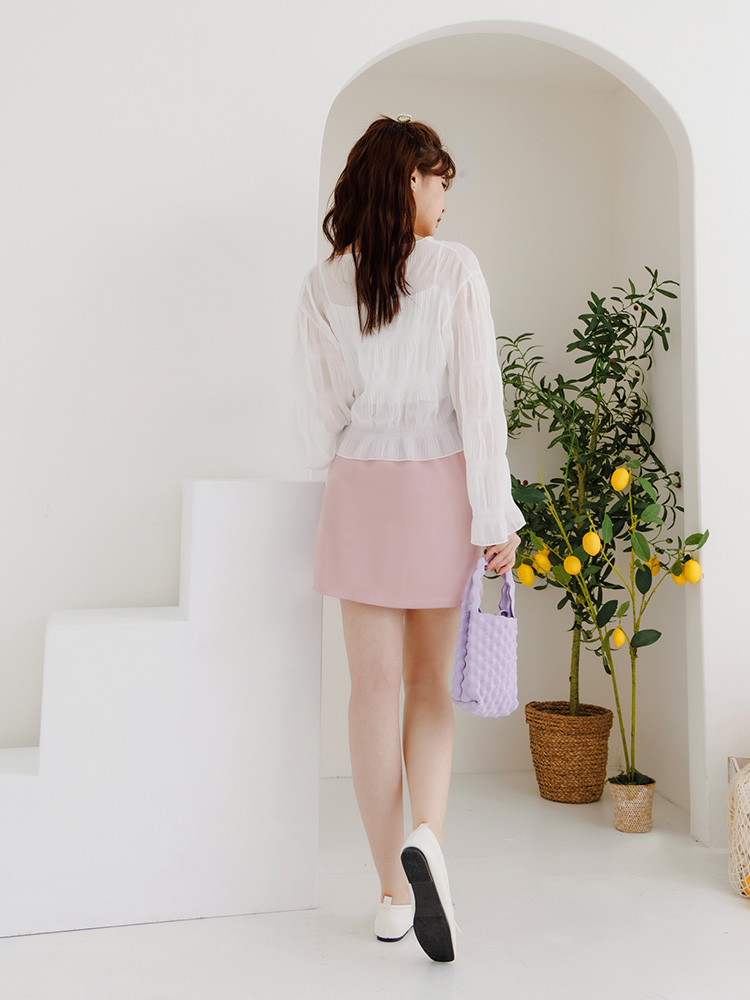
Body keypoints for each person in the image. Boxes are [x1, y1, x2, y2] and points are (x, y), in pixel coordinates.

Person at [289, 115, 525, 963]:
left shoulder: (323, 284)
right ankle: (429, 836)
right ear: (409, 180)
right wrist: (495, 516)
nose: (445, 198)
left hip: (361, 489)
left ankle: (393, 890)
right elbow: (480, 402)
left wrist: (356, 449)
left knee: (371, 692)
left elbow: (318, 424)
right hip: (438, 491)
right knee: (429, 687)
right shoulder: (455, 269)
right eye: (439, 181)